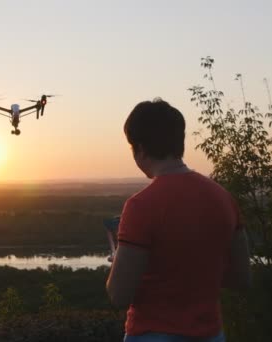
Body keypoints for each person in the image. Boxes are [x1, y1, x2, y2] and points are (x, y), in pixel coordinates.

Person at [106, 99, 251, 342]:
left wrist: (118, 260)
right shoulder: (224, 198)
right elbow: (241, 279)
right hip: (211, 335)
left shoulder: (141, 206)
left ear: (140, 148)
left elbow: (118, 294)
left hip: (152, 334)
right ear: (179, 142)